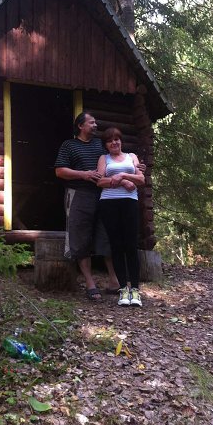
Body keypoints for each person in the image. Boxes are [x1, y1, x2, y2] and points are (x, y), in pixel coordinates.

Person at [54, 111, 119, 301]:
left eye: (95, 122)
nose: (95, 125)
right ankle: (90, 283)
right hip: (79, 195)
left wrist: (137, 166)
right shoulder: (69, 145)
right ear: (81, 126)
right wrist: (84, 174)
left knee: (106, 235)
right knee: (80, 237)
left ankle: (114, 281)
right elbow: (60, 171)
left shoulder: (100, 144)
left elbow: (118, 157)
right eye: (91, 122)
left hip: (104, 195)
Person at [97, 127, 145, 307]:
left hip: (130, 203)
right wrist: (123, 181)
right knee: (116, 246)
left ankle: (135, 290)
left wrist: (123, 175)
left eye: (116, 139)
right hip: (108, 204)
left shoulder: (132, 157)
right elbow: (100, 181)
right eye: (110, 141)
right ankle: (124, 289)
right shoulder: (104, 159)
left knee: (131, 245)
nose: (114, 143)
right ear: (106, 145)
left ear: (121, 141)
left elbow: (141, 180)